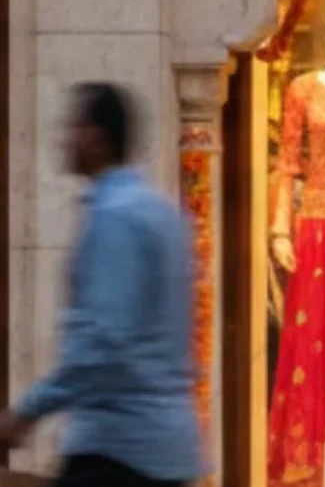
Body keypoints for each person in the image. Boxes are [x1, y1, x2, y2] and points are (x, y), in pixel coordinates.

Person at [0, 83, 206, 486]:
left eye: (73, 127)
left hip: (118, 449)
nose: (64, 139)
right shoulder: (162, 213)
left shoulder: (115, 216)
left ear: (96, 137)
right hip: (170, 447)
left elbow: (104, 342)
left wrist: (27, 411)